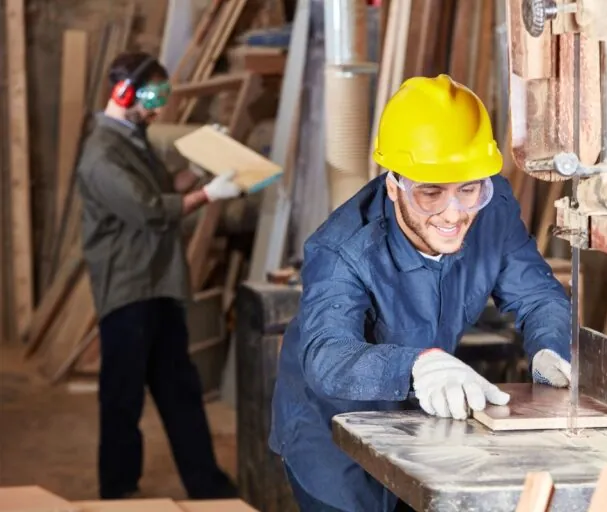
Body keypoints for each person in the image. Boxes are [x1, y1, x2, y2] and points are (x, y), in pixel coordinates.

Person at [269, 74, 573, 512]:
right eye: (431, 193)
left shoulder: (492, 210)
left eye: (469, 189)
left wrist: (551, 347)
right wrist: (416, 366)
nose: (454, 213)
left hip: (421, 421)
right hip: (331, 431)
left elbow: (538, 296)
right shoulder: (342, 249)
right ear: (394, 186)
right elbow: (326, 355)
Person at [76, 51, 242, 500]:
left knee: (180, 392)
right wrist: (210, 193)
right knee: (122, 398)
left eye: (163, 97)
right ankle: (118, 490)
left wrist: (202, 167)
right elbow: (149, 211)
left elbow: (162, 188)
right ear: (123, 92)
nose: (158, 107)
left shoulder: (132, 138)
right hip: (129, 291)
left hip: (159, 286)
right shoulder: (101, 156)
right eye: (152, 97)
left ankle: (207, 487)